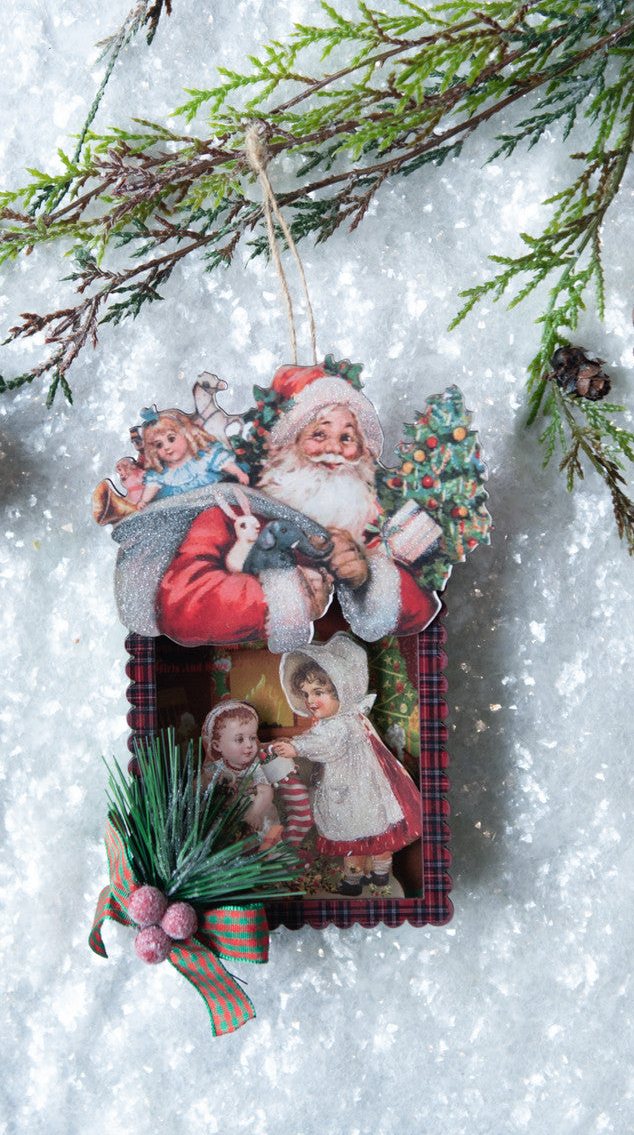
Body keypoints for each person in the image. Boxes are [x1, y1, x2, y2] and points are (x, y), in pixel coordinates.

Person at [153, 365, 438, 650]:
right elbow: (180, 605)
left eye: (347, 438)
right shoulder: (236, 510)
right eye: (318, 434)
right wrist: (285, 595)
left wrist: (367, 578)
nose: (335, 450)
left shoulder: (369, 521)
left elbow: (421, 609)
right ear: (290, 443)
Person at [269, 633, 421, 896]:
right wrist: (296, 742)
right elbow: (317, 737)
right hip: (348, 787)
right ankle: (356, 877)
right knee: (352, 833)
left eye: (318, 693)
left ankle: (379, 873)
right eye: (305, 694)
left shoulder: (343, 723)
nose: (310, 701)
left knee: (362, 831)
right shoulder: (335, 720)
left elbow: (328, 745)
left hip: (357, 790)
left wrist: (297, 748)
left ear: (341, 691)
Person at [200, 700, 313, 848]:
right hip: (226, 815)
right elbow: (201, 786)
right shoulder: (216, 767)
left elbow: (265, 791)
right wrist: (207, 782)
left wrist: (255, 813)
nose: (249, 744)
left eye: (252, 738)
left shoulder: (256, 766)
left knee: (263, 838)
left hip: (256, 812)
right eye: (239, 739)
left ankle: (268, 853)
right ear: (217, 745)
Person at [136, 407, 249, 506]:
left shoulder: (203, 458)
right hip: (182, 509)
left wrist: (239, 473)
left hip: (214, 501)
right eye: (159, 445)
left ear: (185, 435)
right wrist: (144, 501)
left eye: (171, 439)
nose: (166, 447)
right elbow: (152, 487)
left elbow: (225, 463)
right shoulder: (162, 475)